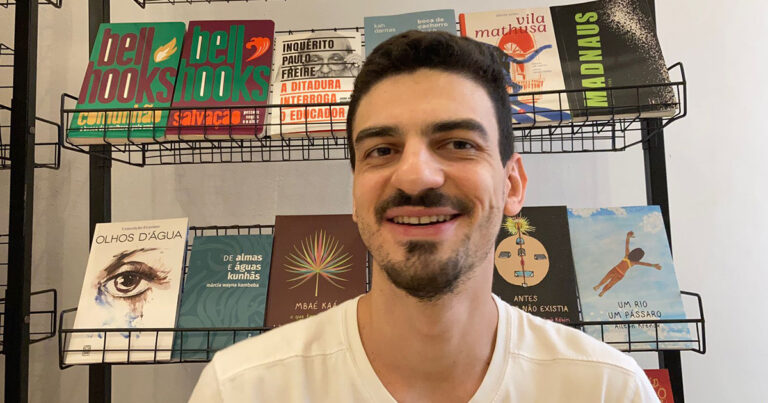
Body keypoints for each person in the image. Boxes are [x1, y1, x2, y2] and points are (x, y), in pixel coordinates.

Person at [189, 30, 658, 402]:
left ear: (511, 185)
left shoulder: (606, 390)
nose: (415, 178)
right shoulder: (242, 389)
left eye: (457, 143)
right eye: (382, 150)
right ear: (354, 197)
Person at [594, 230, 663, 297]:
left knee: (608, 280)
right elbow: (645, 263)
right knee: (609, 282)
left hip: (617, 271)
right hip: (619, 273)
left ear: (633, 252)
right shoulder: (633, 260)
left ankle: (602, 290)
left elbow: (627, 245)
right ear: (639, 257)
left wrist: (628, 237)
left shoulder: (628, 256)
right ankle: (599, 287)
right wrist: (654, 265)